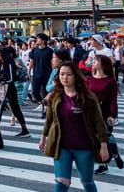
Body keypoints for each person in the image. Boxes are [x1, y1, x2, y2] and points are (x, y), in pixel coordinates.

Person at [39, 61, 109, 192]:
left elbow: (99, 122)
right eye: (62, 74)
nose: (65, 77)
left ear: (76, 76)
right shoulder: (55, 97)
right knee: (61, 183)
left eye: (69, 74)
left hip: (84, 147)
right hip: (62, 146)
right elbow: (49, 119)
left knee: (87, 182)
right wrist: (43, 136)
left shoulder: (88, 97)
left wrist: (103, 145)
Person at [87, 55, 124, 175]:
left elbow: (113, 100)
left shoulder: (110, 81)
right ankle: (113, 153)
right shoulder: (89, 79)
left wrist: (113, 116)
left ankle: (104, 164)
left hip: (105, 112)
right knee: (93, 136)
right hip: (91, 112)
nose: (93, 62)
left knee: (104, 136)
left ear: (102, 64)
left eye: (96, 61)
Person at [0, 46, 29, 137]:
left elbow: (10, 79)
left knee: (2, 108)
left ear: (3, 54)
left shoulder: (8, 64)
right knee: (11, 108)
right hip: (4, 88)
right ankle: (24, 129)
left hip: (9, 88)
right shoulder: (1, 63)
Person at [30, 33, 54, 111]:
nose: (37, 40)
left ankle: (47, 106)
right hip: (36, 73)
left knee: (46, 91)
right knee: (34, 91)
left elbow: (52, 62)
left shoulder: (49, 51)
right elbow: (31, 61)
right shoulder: (34, 50)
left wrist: (54, 73)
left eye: (38, 38)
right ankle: (41, 102)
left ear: (43, 40)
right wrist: (29, 70)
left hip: (47, 74)